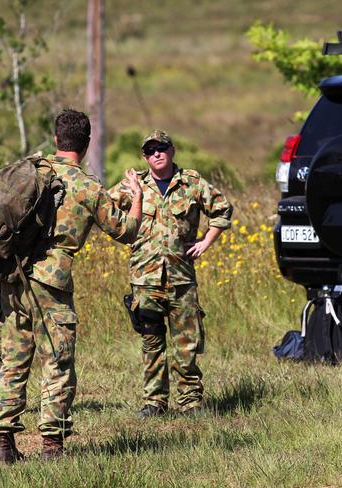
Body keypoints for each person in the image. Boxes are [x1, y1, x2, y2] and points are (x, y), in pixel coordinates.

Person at [0, 109, 143, 463]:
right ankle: (52, 448)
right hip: (52, 283)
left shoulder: (33, 169)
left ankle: (4, 445)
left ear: (57, 140)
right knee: (57, 361)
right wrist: (136, 196)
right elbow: (126, 231)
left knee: (13, 359)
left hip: (14, 277)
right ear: (87, 144)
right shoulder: (87, 186)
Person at [110, 129, 232, 418]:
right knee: (151, 343)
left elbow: (223, 209)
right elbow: (104, 210)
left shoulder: (190, 183)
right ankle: (154, 402)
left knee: (187, 343)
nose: (157, 153)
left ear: (172, 150)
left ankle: (190, 401)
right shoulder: (134, 185)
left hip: (180, 278)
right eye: (150, 150)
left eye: (161, 148)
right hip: (145, 279)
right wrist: (131, 210)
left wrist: (206, 241)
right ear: (144, 156)